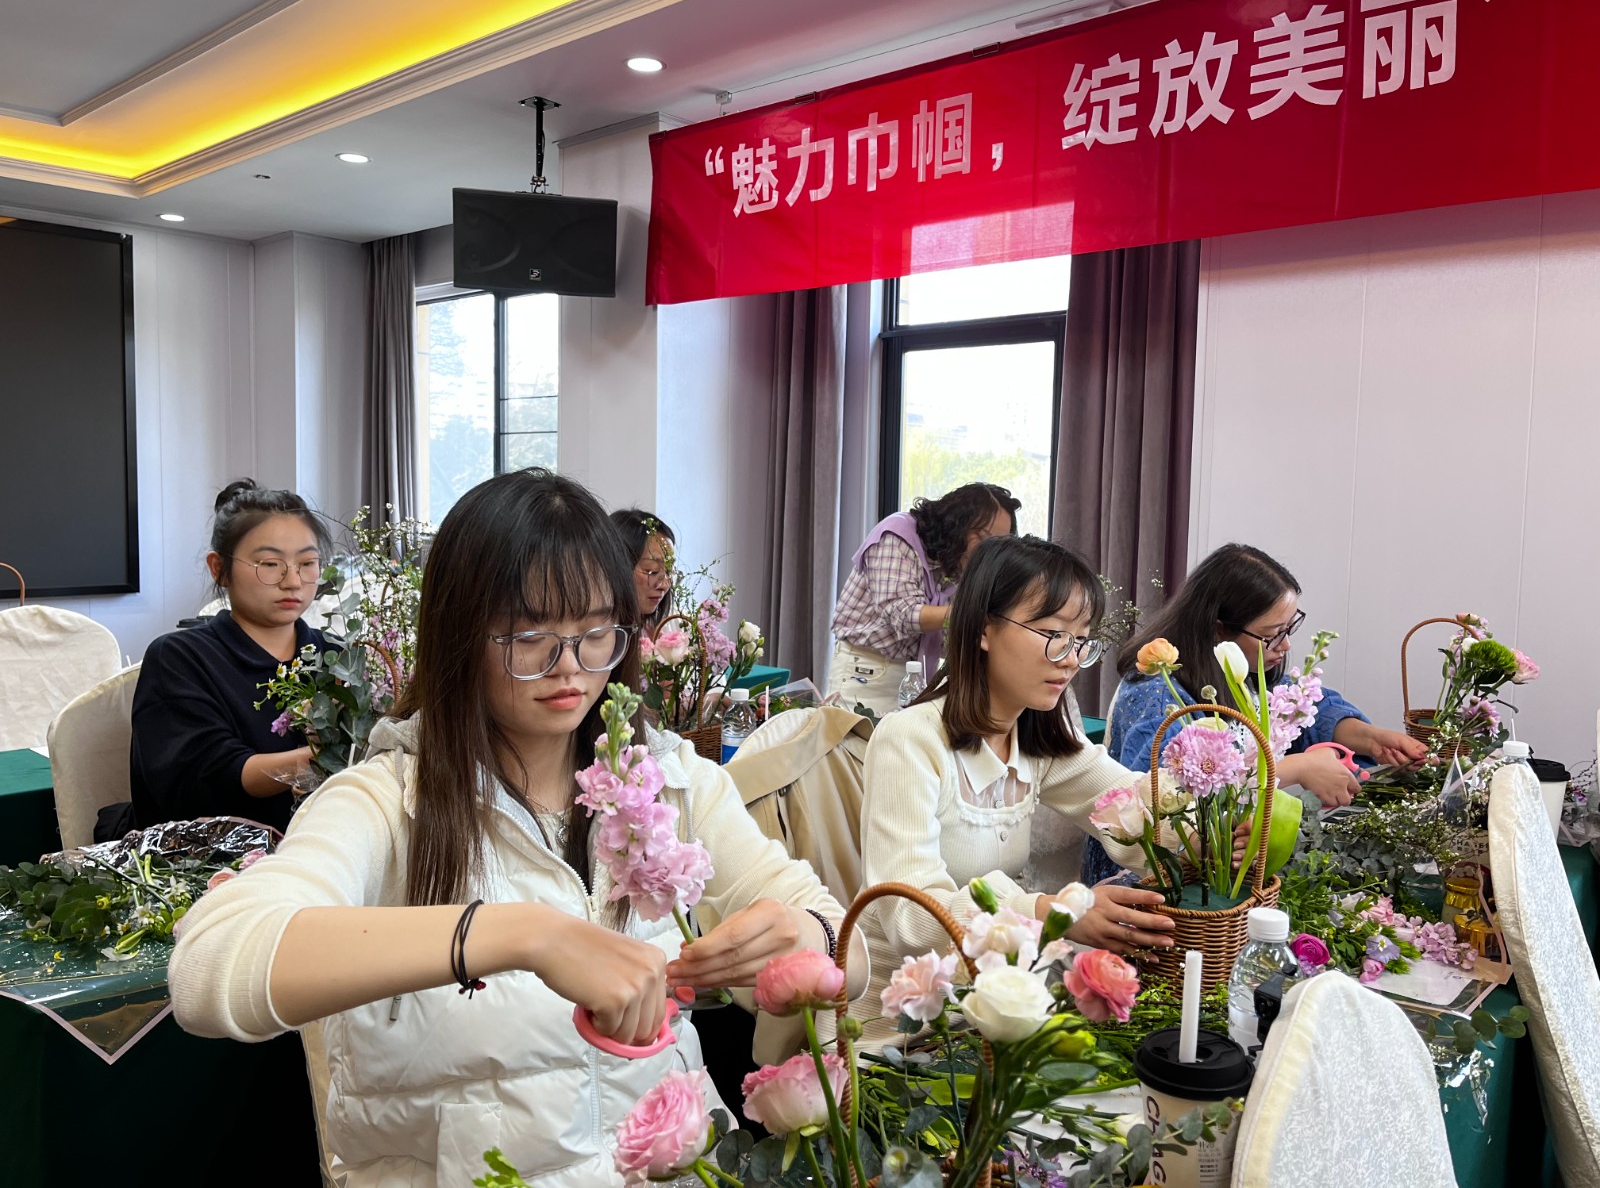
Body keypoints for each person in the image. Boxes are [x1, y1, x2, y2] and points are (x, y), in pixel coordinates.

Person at [169, 469, 863, 1188]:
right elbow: (209, 967)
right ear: (459, 632)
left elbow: (847, 938)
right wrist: (525, 935)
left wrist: (806, 939)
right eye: (530, 635)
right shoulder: (386, 801)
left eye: (595, 631)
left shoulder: (669, 780)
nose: (570, 667)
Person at [853, 535, 1174, 1048]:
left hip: (994, 1011)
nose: (1071, 659)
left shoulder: (1036, 740)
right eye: (1053, 634)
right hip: (899, 1029)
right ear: (984, 629)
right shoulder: (910, 739)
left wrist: (1214, 828)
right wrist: (1051, 912)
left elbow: (1135, 807)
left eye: (1081, 641)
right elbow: (910, 913)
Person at [1083, 542, 1429, 885]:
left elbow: (1307, 707)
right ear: (1219, 629)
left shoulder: (1244, 668)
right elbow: (1164, 808)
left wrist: (1372, 739)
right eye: (1272, 635)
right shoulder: (1158, 696)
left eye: (1289, 629)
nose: (1285, 645)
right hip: (1153, 881)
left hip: (1222, 862)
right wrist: (1297, 768)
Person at [130, 479, 333, 833]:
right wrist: (329, 758)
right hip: (215, 856)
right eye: (269, 564)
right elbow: (207, 777)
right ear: (219, 568)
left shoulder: (337, 656)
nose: (293, 581)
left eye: (307, 562)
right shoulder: (180, 659)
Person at [828, 482, 1020, 715]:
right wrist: (968, 614)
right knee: (858, 737)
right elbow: (903, 614)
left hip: (913, 674)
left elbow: (948, 640)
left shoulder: (957, 566)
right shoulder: (897, 535)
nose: (986, 553)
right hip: (866, 670)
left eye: (996, 546)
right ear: (957, 524)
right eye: (982, 538)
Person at [610, 508, 676, 639]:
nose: (664, 585)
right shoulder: (596, 634)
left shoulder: (660, 632)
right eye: (652, 571)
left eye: (669, 571)